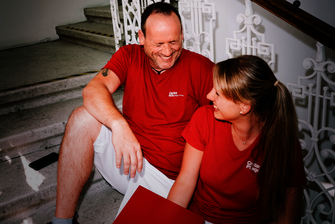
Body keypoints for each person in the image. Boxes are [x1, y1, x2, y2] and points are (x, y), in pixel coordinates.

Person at [53, 2, 214, 223]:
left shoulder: (201, 67)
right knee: (81, 117)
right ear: (141, 37)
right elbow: (92, 90)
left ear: (182, 35)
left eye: (173, 42)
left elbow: (227, 119)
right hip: (127, 160)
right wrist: (119, 126)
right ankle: (62, 220)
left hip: (166, 179)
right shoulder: (129, 55)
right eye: (158, 43)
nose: (167, 52)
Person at [167, 55, 306, 224]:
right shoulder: (204, 118)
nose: (209, 95)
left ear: (244, 106)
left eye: (218, 93)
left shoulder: (284, 145)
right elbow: (184, 182)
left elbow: (287, 217)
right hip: (200, 217)